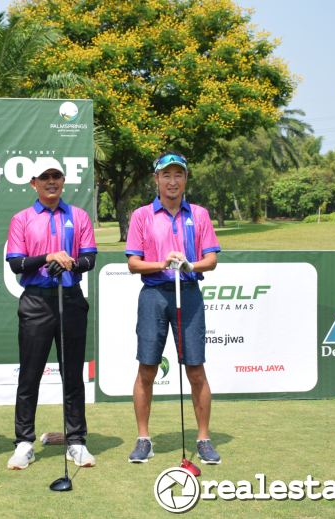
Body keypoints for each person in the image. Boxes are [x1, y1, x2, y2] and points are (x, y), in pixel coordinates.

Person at [124, 151, 222, 465]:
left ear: (185, 179)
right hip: (154, 295)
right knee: (147, 368)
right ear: (156, 179)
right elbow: (133, 263)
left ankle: (204, 438)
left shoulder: (200, 214)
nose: (172, 181)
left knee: (195, 369)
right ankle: (143, 439)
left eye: (178, 174)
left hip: (189, 292)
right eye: (166, 175)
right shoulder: (141, 215)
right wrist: (162, 264)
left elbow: (212, 260)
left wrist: (190, 265)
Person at [5, 157, 98, 470]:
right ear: (34, 183)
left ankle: (76, 441)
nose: (51, 182)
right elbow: (16, 263)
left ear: (63, 181)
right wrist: (48, 257)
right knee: (29, 376)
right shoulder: (22, 218)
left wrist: (70, 262)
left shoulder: (79, 216)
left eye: (56, 176)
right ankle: (24, 443)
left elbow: (90, 259)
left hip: (70, 299)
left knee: (72, 375)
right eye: (45, 177)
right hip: (35, 302)